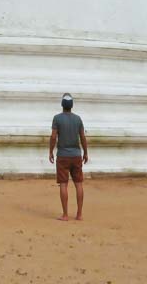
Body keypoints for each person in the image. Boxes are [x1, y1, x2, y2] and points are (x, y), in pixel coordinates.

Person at [48, 93, 88, 221]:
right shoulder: (78, 119)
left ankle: (65, 214)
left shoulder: (57, 118)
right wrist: (85, 152)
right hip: (76, 155)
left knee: (64, 184)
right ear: (72, 105)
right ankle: (79, 214)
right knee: (78, 184)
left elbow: (54, 136)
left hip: (63, 156)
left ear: (62, 105)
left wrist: (50, 151)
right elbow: (82, 137)